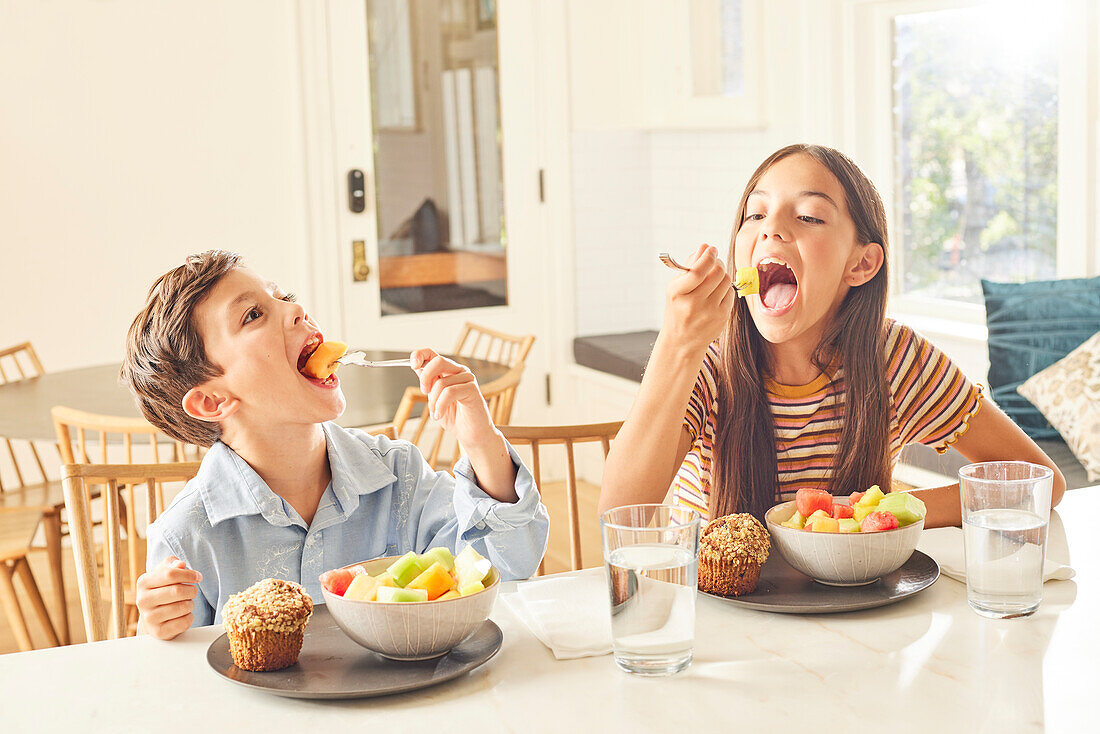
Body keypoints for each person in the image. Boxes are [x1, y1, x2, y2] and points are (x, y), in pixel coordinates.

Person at [600, 144, 1065, 527]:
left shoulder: (895, 358)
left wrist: (880, 515)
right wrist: (676, 347)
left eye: (808, 217)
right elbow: (618, 514)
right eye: (754, 215)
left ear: (860, 264)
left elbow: (1041, 484)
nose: (771, 230)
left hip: (857, 615)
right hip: (717, 617)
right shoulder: (705, 362)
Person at [123, 251, 548, 639]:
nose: (295, 309)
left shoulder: (398, 475)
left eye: (283, 296)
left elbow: (506, 569)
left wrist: (481, 443)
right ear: (213, 400)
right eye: (254, 314)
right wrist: (155, 629)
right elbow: (176, 685)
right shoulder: (187, 538)